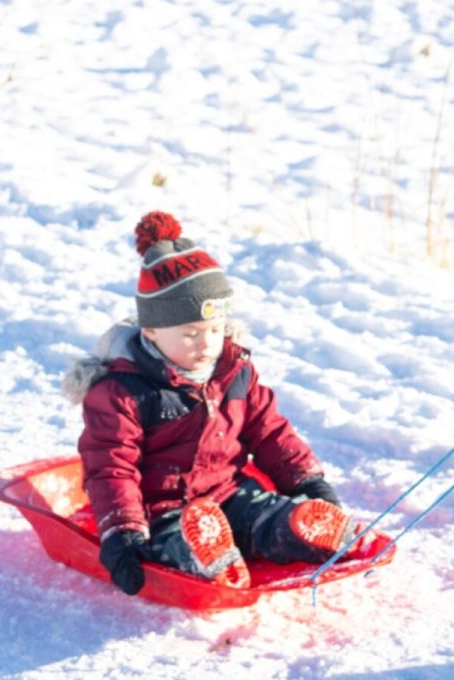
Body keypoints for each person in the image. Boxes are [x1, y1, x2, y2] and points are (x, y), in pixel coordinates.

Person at [63, 210, 351, 594]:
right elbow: (111, 465)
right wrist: (123, 531)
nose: (206, 344)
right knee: (172, 541)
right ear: (150, 330)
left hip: (229, 494)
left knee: (264, 514)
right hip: (161, 509)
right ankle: (204, 556)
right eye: (190, 333)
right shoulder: (121, 391)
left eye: (215, 330)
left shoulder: (234, 372)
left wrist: (307, 481)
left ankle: (301, 528)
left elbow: (270, 432)